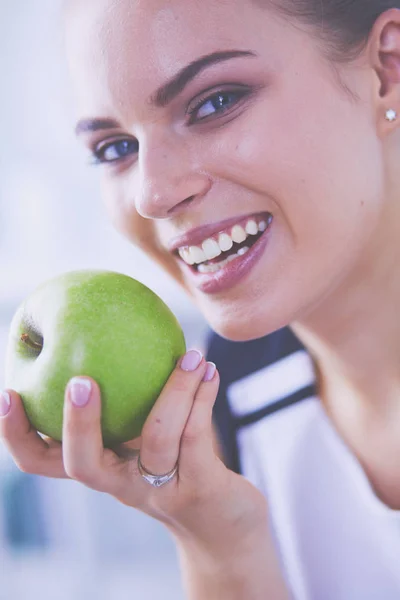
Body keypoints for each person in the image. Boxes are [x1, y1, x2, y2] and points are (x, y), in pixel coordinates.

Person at [1, 0, 400, 597]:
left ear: (388, 67)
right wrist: (214, 537)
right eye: (116, 149)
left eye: (214, 102)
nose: (152, 195)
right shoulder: (229, 392)